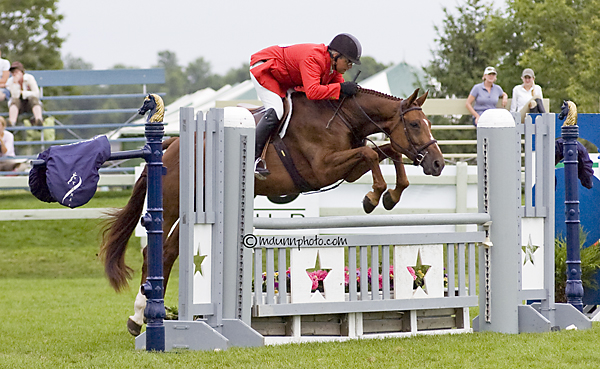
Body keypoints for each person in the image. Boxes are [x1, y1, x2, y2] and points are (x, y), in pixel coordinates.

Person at [249, 33, 361, 178]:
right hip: (265, 69)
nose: (350, 66)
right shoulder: (314, 59)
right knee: (277, 110)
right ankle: (253, 159)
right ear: (336, 56)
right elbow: (313, 92)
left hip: (285, 76)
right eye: (348, 62)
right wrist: (341, 89)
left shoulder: (332, 67)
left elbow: (338, 90)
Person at [6, 61, 44, 127]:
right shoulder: (10, 81)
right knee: (14, 101)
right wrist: (15, 83)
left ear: (22, 72)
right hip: (18, 106)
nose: (14, 74)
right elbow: (14, 95)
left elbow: (36, 93)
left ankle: (38, 120)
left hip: (30, 104)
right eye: (13, 73)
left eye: (16, 72)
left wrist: (23, 93)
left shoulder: (30, 78)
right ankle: (12, 122)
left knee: (34, 99)